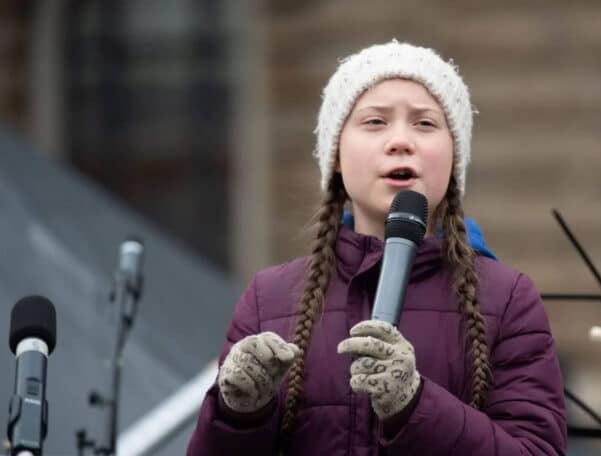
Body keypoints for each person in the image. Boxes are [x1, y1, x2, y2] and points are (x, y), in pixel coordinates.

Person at [187, 40, 566, 455]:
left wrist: (416, 403)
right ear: (334, 155)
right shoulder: (270, 299)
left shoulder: (508, 299)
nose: (401, 141)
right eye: (375, 122)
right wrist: (238, 413)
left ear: (455, 157)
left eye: (424, 124)